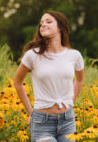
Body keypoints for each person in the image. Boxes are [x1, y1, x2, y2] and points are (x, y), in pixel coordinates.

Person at [14, 10, 85, 142]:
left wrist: (70, 101)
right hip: (42, 122)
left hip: (68, 121)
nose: (43, 25)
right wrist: (31, 112)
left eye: (48, 21)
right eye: (41, 23)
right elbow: (17, 82)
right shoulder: (32, 55)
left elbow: (80, 80)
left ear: (60, 28)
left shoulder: (74, 55)